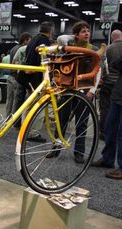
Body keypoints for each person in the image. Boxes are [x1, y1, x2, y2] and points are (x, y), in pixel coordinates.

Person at [47, 21, 101, 163]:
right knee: (61, 121)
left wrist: (92, 91)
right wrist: (74, 36)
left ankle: (79, 152)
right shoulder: (68, 47)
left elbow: (99, 70)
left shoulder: (93, 49)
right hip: (67, 89)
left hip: (84, 90)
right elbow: (60, 39)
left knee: (81, 123)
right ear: (76, 35)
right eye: (83, 31)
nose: (87, 33)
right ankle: (56, 148)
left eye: (88, 31)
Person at [16, 21, 53, 142]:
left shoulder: (33, 40)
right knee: (38, 106)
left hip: (27, 76)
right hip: (36, 78)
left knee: (29, 104)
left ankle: (24, 129)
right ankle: (32, 133)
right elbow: (42, 60)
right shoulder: (44, 41)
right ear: (50, 32)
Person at [92, 52, 122, 179]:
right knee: (110, 128)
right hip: (118, 95)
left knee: (121, 134)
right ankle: (108, 158)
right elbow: (116, 64)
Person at [99, 30, 122, 140]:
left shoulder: (108, 49)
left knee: (105, 109)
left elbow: (103, 66)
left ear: (112, 38)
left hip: (107, 83)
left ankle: (103, 133)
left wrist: (101, 78)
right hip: (119, 85)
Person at [6, 32, 31, 119]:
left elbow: (12, 61)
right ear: (25, 40)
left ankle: (7, 118)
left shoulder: (13, 48)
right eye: (29, 40)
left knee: (10, 100)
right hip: (17, 77)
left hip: (10, 76)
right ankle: (15, 119)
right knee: (17, 100)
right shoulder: (23, 49)